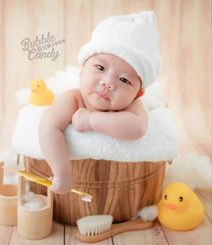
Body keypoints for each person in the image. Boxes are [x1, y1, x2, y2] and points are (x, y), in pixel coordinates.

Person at [39, 11, 162, 194]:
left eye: (124, 80)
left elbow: (137, 128)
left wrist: (91, 120)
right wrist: (62, 173)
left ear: (138, 94)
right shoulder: (72, 99)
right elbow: (48, 128)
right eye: (100, 68)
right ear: (82, 71)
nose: (108, 83)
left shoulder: (132, 106)